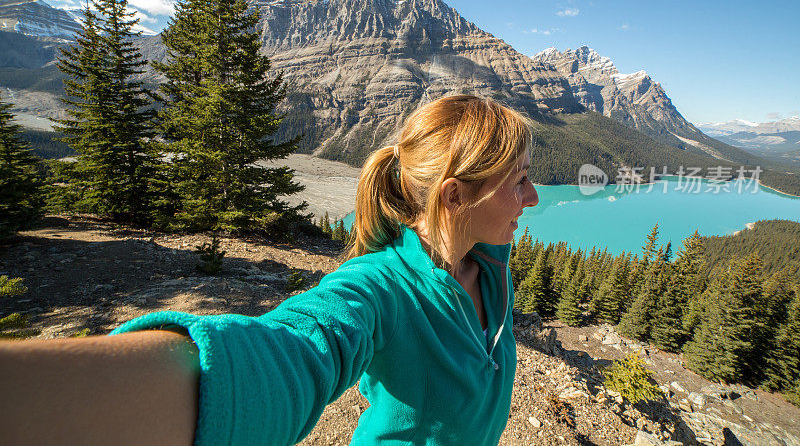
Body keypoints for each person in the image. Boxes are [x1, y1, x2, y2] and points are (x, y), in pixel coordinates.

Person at [0, 95, 539, 446]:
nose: (532, 197)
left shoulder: (488, 265)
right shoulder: (376, 288)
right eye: (518, 181)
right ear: (455, 195)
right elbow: (295, 347)